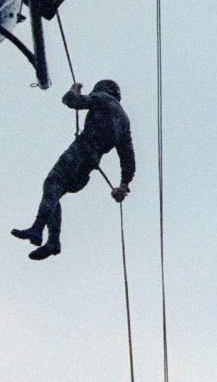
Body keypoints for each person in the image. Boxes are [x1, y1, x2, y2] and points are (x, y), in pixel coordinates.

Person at [11, 79, 135, 260]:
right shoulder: (124, 121)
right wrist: (124, 184)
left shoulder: (102, 99)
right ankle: (53, 241)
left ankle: (38, 228)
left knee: (52, 183)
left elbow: (70, 101)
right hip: (89, 166)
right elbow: (128, 159)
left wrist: (73, 90)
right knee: (56, 193)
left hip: (78, 153)